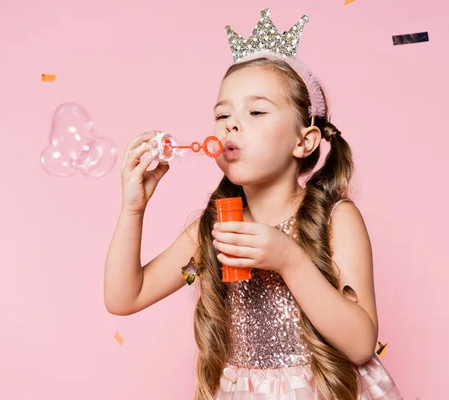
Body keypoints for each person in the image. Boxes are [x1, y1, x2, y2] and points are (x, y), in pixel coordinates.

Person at [104, 8, 402, 400]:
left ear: (304, 141)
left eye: (256, 111)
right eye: (222, 114)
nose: (230, 124)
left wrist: (289, 259)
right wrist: (133, 210)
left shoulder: (336, 219)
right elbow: (125, 297)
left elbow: (361, 344)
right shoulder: (212, 227)